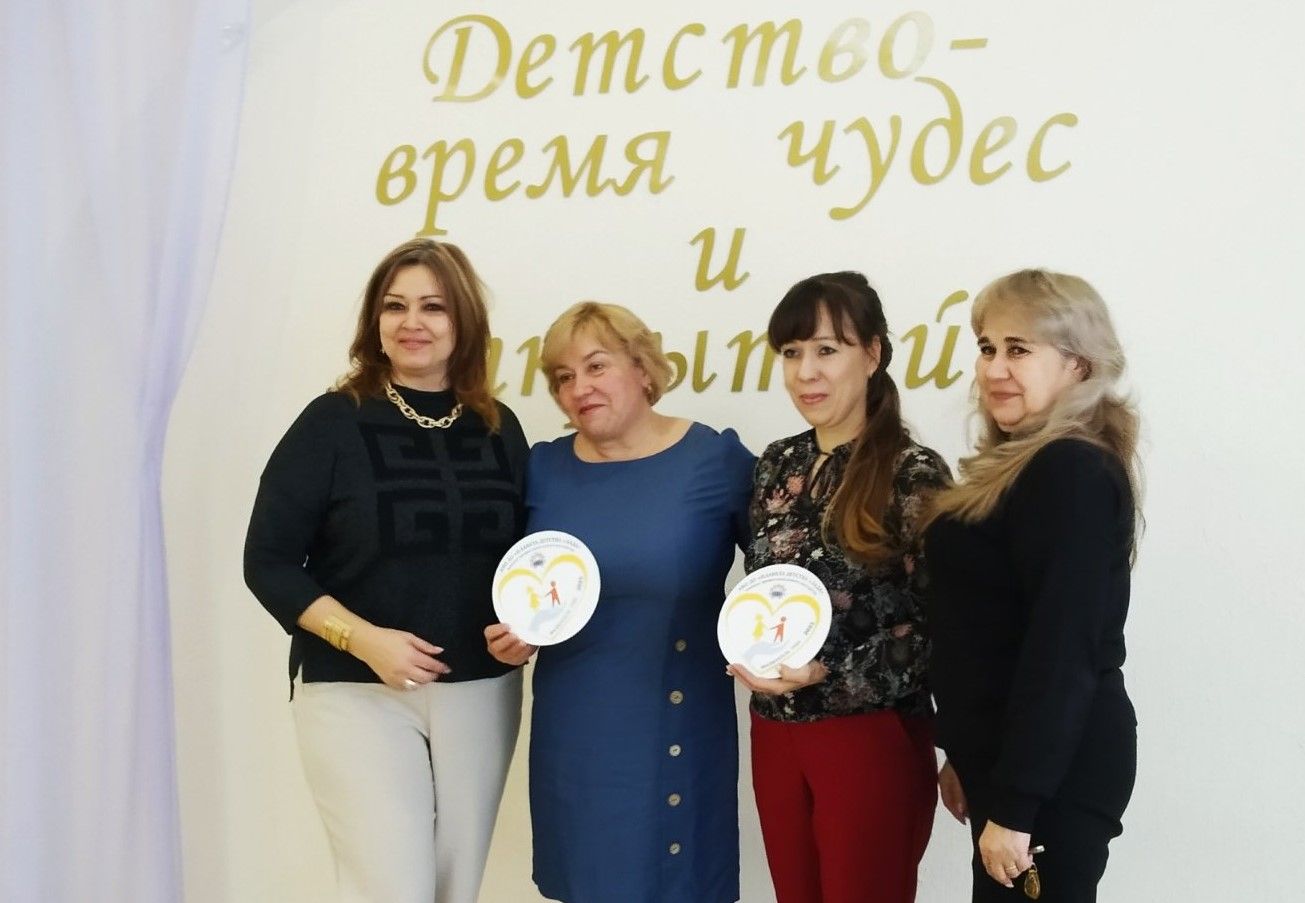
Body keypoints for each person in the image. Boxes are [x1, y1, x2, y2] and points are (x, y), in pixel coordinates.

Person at [244, 238, 528, 903]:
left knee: (454, 888)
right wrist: (364, 639)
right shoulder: (330, 423)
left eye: (433, 306)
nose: (412, 322)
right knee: (390, 888)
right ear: (374, 320)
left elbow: (525, 559)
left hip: (481, 689)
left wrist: (527, 630)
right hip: (354, 690)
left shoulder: (498, 428)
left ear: (463, 321)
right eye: (394, 306)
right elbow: (268, 561)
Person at [485, 302, 753, 903]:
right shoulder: (542, 468)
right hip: (574, 734)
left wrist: (782, 647)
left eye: (596, 366)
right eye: (563, 377)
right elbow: (505, 583)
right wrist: (507, 634)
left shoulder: (714, 460)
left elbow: (785, 567)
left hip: (677, 722)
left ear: (643, 367)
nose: (578, 388)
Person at [729, 272, 951, 903]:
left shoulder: (913, 474)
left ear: (873, 354)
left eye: (827, 350)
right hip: (775, 733)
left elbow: (943, 629)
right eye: (792, 352)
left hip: (870, 736)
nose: (806, 372)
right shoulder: (777, 463)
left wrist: (828, 673)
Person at [924, 269, 1142, 902]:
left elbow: (1062, 651)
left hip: (1052, 779)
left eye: (1018, 350)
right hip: (1013, 764)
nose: (994, 368)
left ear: (1078, 365)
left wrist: (1018, 804)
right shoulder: (1031, 463)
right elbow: (991, 629)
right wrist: (964, 754)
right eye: (987, 348)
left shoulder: (1070, 470)